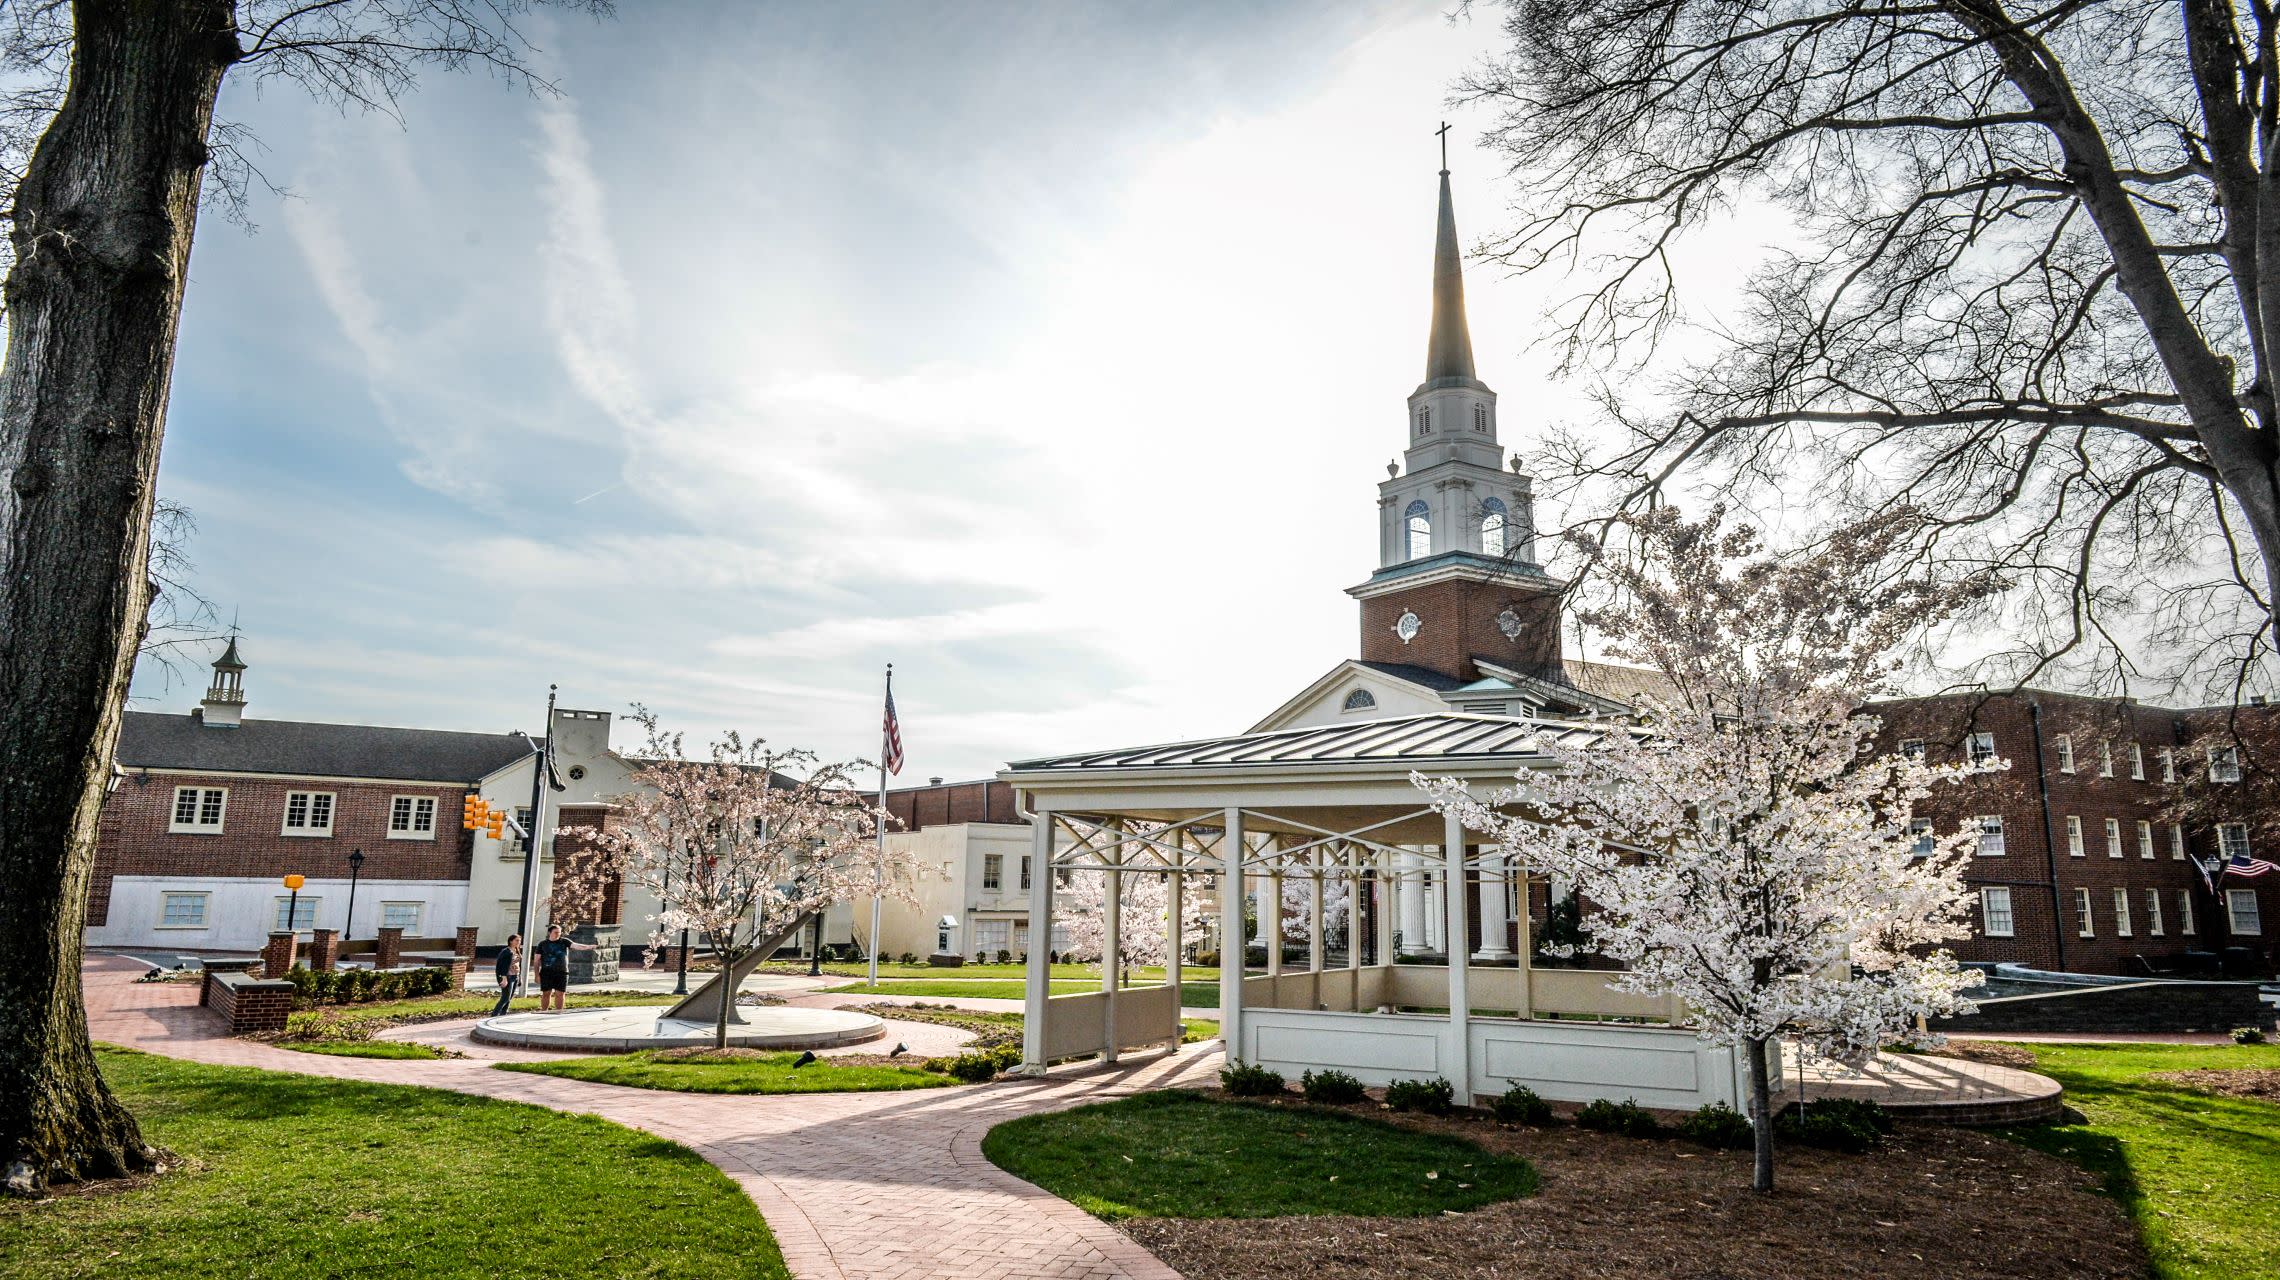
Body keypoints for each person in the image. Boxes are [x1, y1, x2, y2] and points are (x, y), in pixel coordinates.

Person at [532, 923, 596, 1013]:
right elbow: (536, 961)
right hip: (546, 972)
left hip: (562, 972)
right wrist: (536, 975)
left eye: (559, 932)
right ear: (549, 932)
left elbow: (576, 946)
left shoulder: (564, 941)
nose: (558, 934)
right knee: (546, 993)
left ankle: (559, 1012)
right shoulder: (543, 944)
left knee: (560, 993)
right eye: (556, 932)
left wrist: (589, 947)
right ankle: (544, 1011)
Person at [490, 934, 522, 1018]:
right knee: (505, 998)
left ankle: (503, 1015)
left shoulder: (516, 950)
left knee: (509, 998)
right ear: (511, 941)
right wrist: (503, 978)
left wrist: (520, 978)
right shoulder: (506, 952)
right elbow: (501, 966)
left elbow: (518, 965)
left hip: (515, 976)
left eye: (519, 941)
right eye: (516, 940)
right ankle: (494, 1015)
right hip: (508, 977)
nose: (518, 942)